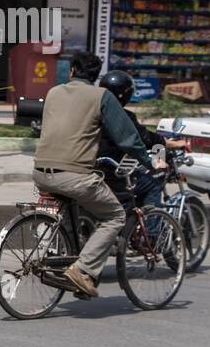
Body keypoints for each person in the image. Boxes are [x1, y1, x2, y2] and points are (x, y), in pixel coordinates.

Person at [34, 53, 157, 298]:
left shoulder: (53, 92)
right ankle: (82, 270)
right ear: (95, 76)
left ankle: (68, 266)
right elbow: (127, 138)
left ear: (71, 72)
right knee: (114, 216)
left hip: (40, 172)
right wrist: (148, 161)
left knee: (72, 213)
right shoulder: (101, 96)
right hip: (74, 175)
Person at [97, 70, 188, 208]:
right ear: (126, 94)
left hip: (91, 170)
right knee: (153, 185)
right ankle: (153, 229)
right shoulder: (123, 116)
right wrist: (174, 144)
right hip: (113, 175)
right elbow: (143, 139)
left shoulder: (93, 112)